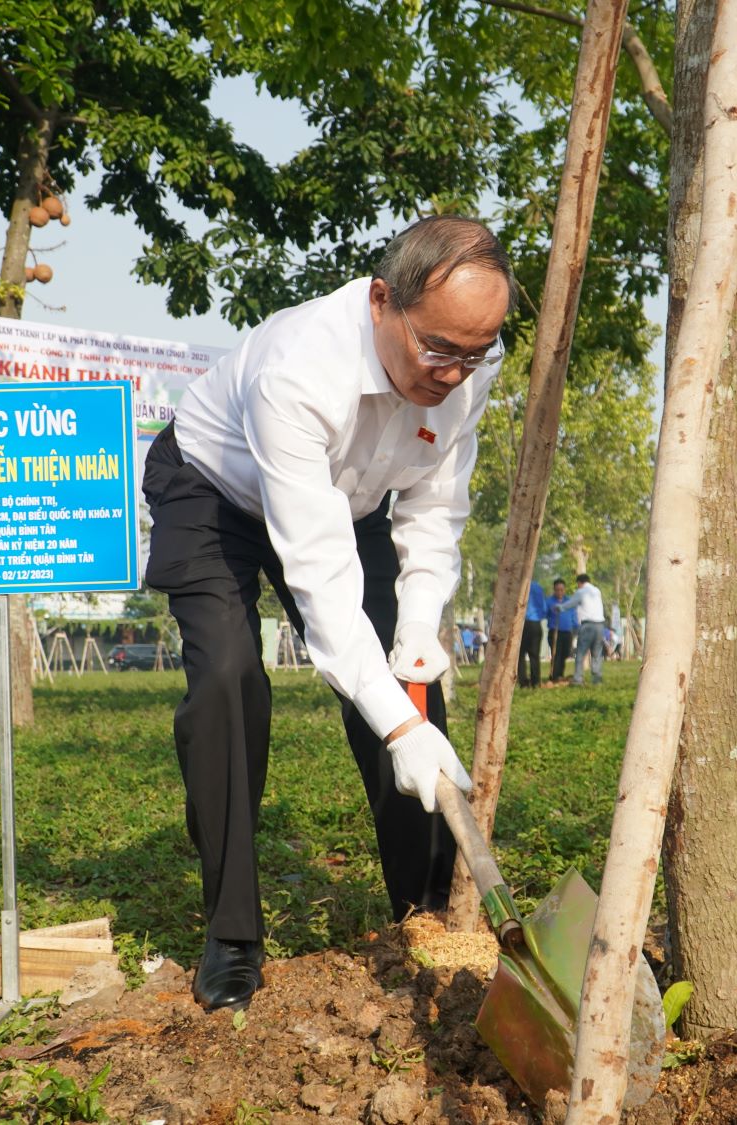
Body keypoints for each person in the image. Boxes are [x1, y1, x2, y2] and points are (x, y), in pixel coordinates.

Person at [143, 215, 515, 1009]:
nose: (455, 374)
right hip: (216, 491)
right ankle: (232, 937)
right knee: (230, 681)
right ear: (382, 301)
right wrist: (400, 728)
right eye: (438, 351)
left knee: (410, 679)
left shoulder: (471, 361)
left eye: (474, 353)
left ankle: (424, 910)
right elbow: (322, 589)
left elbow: (435, 502)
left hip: (353, 499)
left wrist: (417, 625)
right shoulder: (300, 371)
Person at [569, 573, 607, 685]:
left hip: (587, 625)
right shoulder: (597, 591)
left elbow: (571, 604)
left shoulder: (580, 592)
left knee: (581, 653)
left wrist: (560, 607)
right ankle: (597, 679)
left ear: (579, 583)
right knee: (597, 654)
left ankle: (578, 679)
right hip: (600, 625)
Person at [547, 578, 577, 683]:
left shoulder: (569, 601)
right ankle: (555, 675)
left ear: (564, 590)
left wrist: (576, 627)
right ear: (554, 590)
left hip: (567, 632)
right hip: (555, 631)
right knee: (556, 653)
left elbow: (574, 615)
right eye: (557, 590)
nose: (559, 592)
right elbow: (545, 613)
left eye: (561, 590)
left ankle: (560, 674)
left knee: (565, 653)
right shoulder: (549, 601)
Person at [519, 579, 547, 687]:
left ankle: (523, 682)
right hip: (536, 624)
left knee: (520, 655)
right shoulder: (537, 587)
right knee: (534, 655)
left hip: (521, 624)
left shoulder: (517, 585)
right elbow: (543, 607)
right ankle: (535, 682)